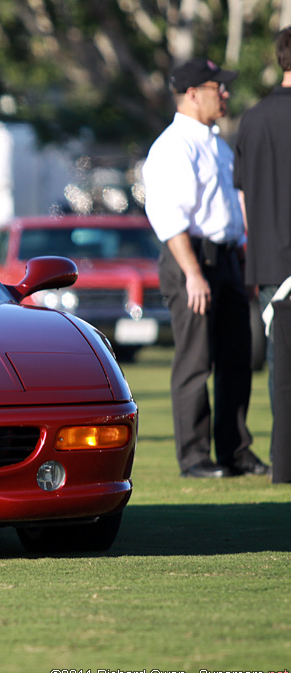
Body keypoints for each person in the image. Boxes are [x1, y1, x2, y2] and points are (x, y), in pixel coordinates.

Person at [142, 58, 269, 478]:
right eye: (219, 87)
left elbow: (232, 206)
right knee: (196, 360)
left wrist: (244, 255)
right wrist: (193, 272)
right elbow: (169, 216)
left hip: (227, 258)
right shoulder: (174, 146)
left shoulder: (215, 143)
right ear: (194, 93)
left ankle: (235, 451)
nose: (226, 93)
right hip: (191, 260)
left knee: (238, 356)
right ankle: (195, 456)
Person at [234, 27, 291, 407]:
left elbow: (242, 198)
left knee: (279, 360)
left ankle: (282, 452)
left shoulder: (251, 119)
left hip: (269, 261)